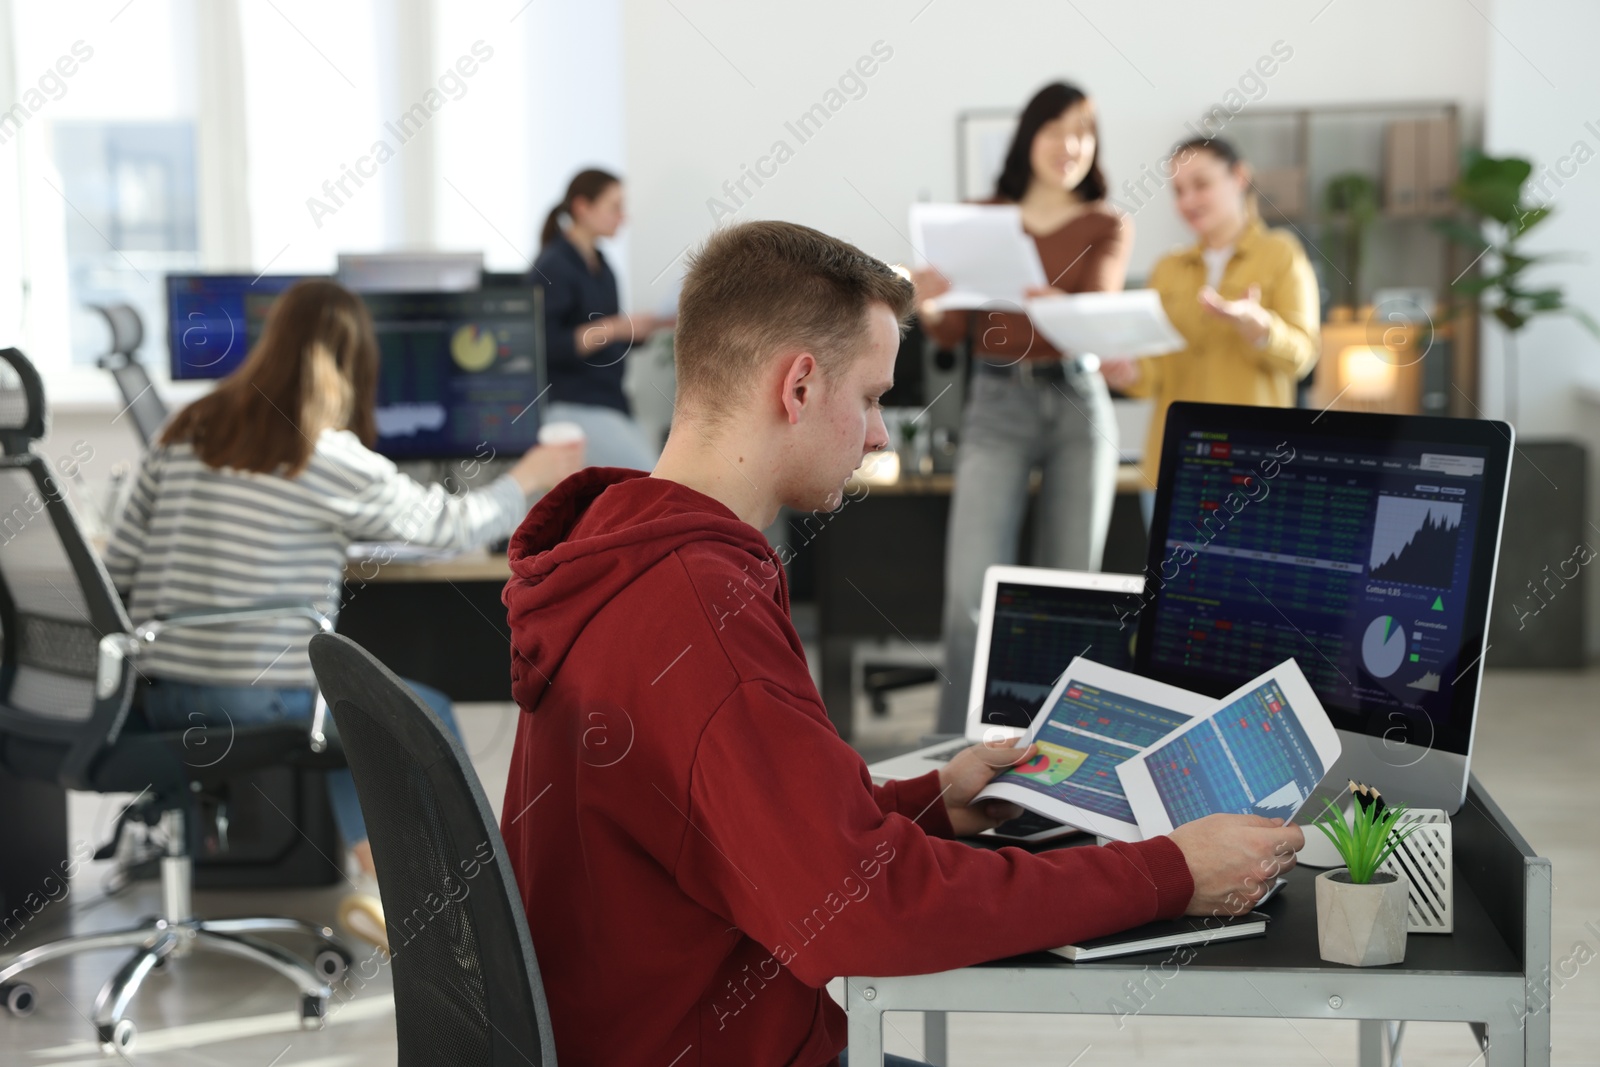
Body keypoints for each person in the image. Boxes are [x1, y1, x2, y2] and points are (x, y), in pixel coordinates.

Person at [499, 220, 1303, 1066]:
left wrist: (932, 803)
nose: (882, 434)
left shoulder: (626, 554)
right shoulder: (702, 616)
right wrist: (1170, 870)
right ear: (799, 385)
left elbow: (743, 827)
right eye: (874, 397)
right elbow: (861, 911)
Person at [103, 279, 583, 947]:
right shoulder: (326, 455)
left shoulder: (186, 429)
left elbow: (119, 569)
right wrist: (530, 474)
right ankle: (464, 911)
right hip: (255, 699)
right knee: (411, 711)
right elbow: (450, 526)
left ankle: (384, 892)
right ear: (356, 364)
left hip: (161, 697)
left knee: (347, 706)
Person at [918, 82, 1131, 735]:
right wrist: (927, 301)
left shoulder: (1106, 222)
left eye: (1083, 133)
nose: (1070, 145)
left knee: (1071, 592)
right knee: (971, 592)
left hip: (1077, 401)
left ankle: (1058, 752)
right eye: (1056, 129)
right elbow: (951, 331)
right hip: (997, 398)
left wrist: (1054, 309)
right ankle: (954, 753)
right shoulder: (980, 216)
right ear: (1028, 137)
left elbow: (1095, 318)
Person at [1099, 137, 1319, 523]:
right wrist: (1128, 372)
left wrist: (1260, 327)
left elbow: (1302, 357)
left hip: (1252, 467)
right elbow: (1154, 373)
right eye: (1179, 191)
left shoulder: (1281, 253)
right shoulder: (1167, 268)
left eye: (1201, 185)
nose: (1188, 201)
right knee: (1167, 584)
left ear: (1239, 177)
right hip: (1174, 463)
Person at [531, 168, 669, 470]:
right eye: (615, 207)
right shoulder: (554, 265)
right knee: (651, 483)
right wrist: (615, 328)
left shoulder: (603, 267)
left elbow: (605, 344)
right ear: (583, 207)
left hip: (611, 403)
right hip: (571, 405)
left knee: (657, 478)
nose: (623, 217)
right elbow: (547, 346)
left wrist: (641, 329)